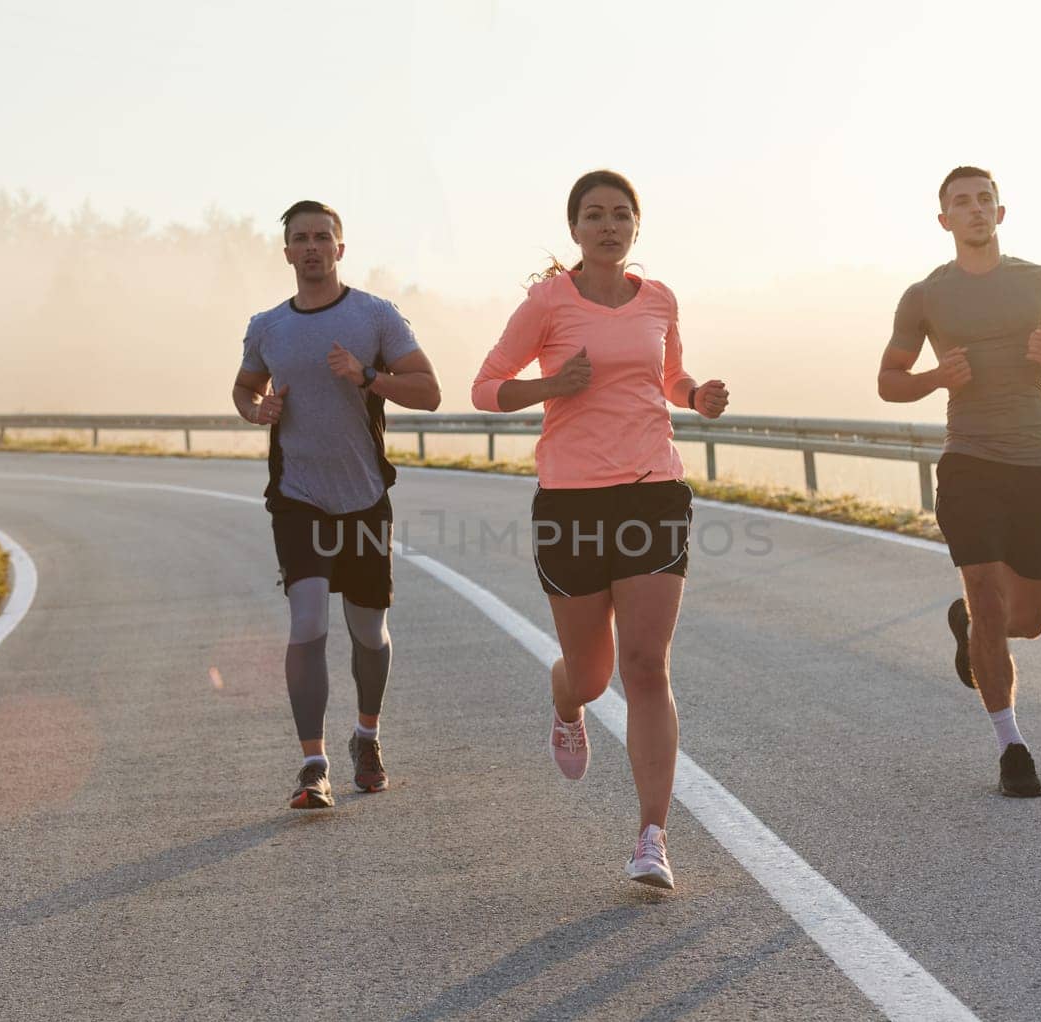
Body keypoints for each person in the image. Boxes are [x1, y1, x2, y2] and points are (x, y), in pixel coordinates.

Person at [471, 170, 729, 888]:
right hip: (572, 502)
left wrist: (694, 394)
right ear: (575, 229)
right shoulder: (548, 302)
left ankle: (652, 837)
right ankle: (565, 704)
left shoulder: (659, 299)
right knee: (590, 672)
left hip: (652, 491)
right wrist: (552, 386)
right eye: (595, 215)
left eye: (621, 215)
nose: (608, 225)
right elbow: (486, 387)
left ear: (636, 229)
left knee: (646, 664)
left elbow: (667, 377)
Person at [877, 166, 1041, 798]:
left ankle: (969, 631)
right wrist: (934, 379)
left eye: (984, 201)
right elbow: (889, 379)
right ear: (943, 220)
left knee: (1027, 618)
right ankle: (1012, 749)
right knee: (987, 599)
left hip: (1035, 461)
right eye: (961, 203)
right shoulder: (924, 296)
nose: (974, 210)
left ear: (1001, 213)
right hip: (968, 460)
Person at [233, 199, 441, 809]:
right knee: (308, 624)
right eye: (302, 239)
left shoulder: (375, 316)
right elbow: (246, 387)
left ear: (341, 248)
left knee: (368, 633)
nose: (313, 247)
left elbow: (428, 392)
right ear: (288, 252)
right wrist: (257, 410)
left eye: (324, 237)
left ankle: (367, 737)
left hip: (365, 498)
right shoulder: (268, 326)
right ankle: (312, 764)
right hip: (298, 498)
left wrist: (367, 376)